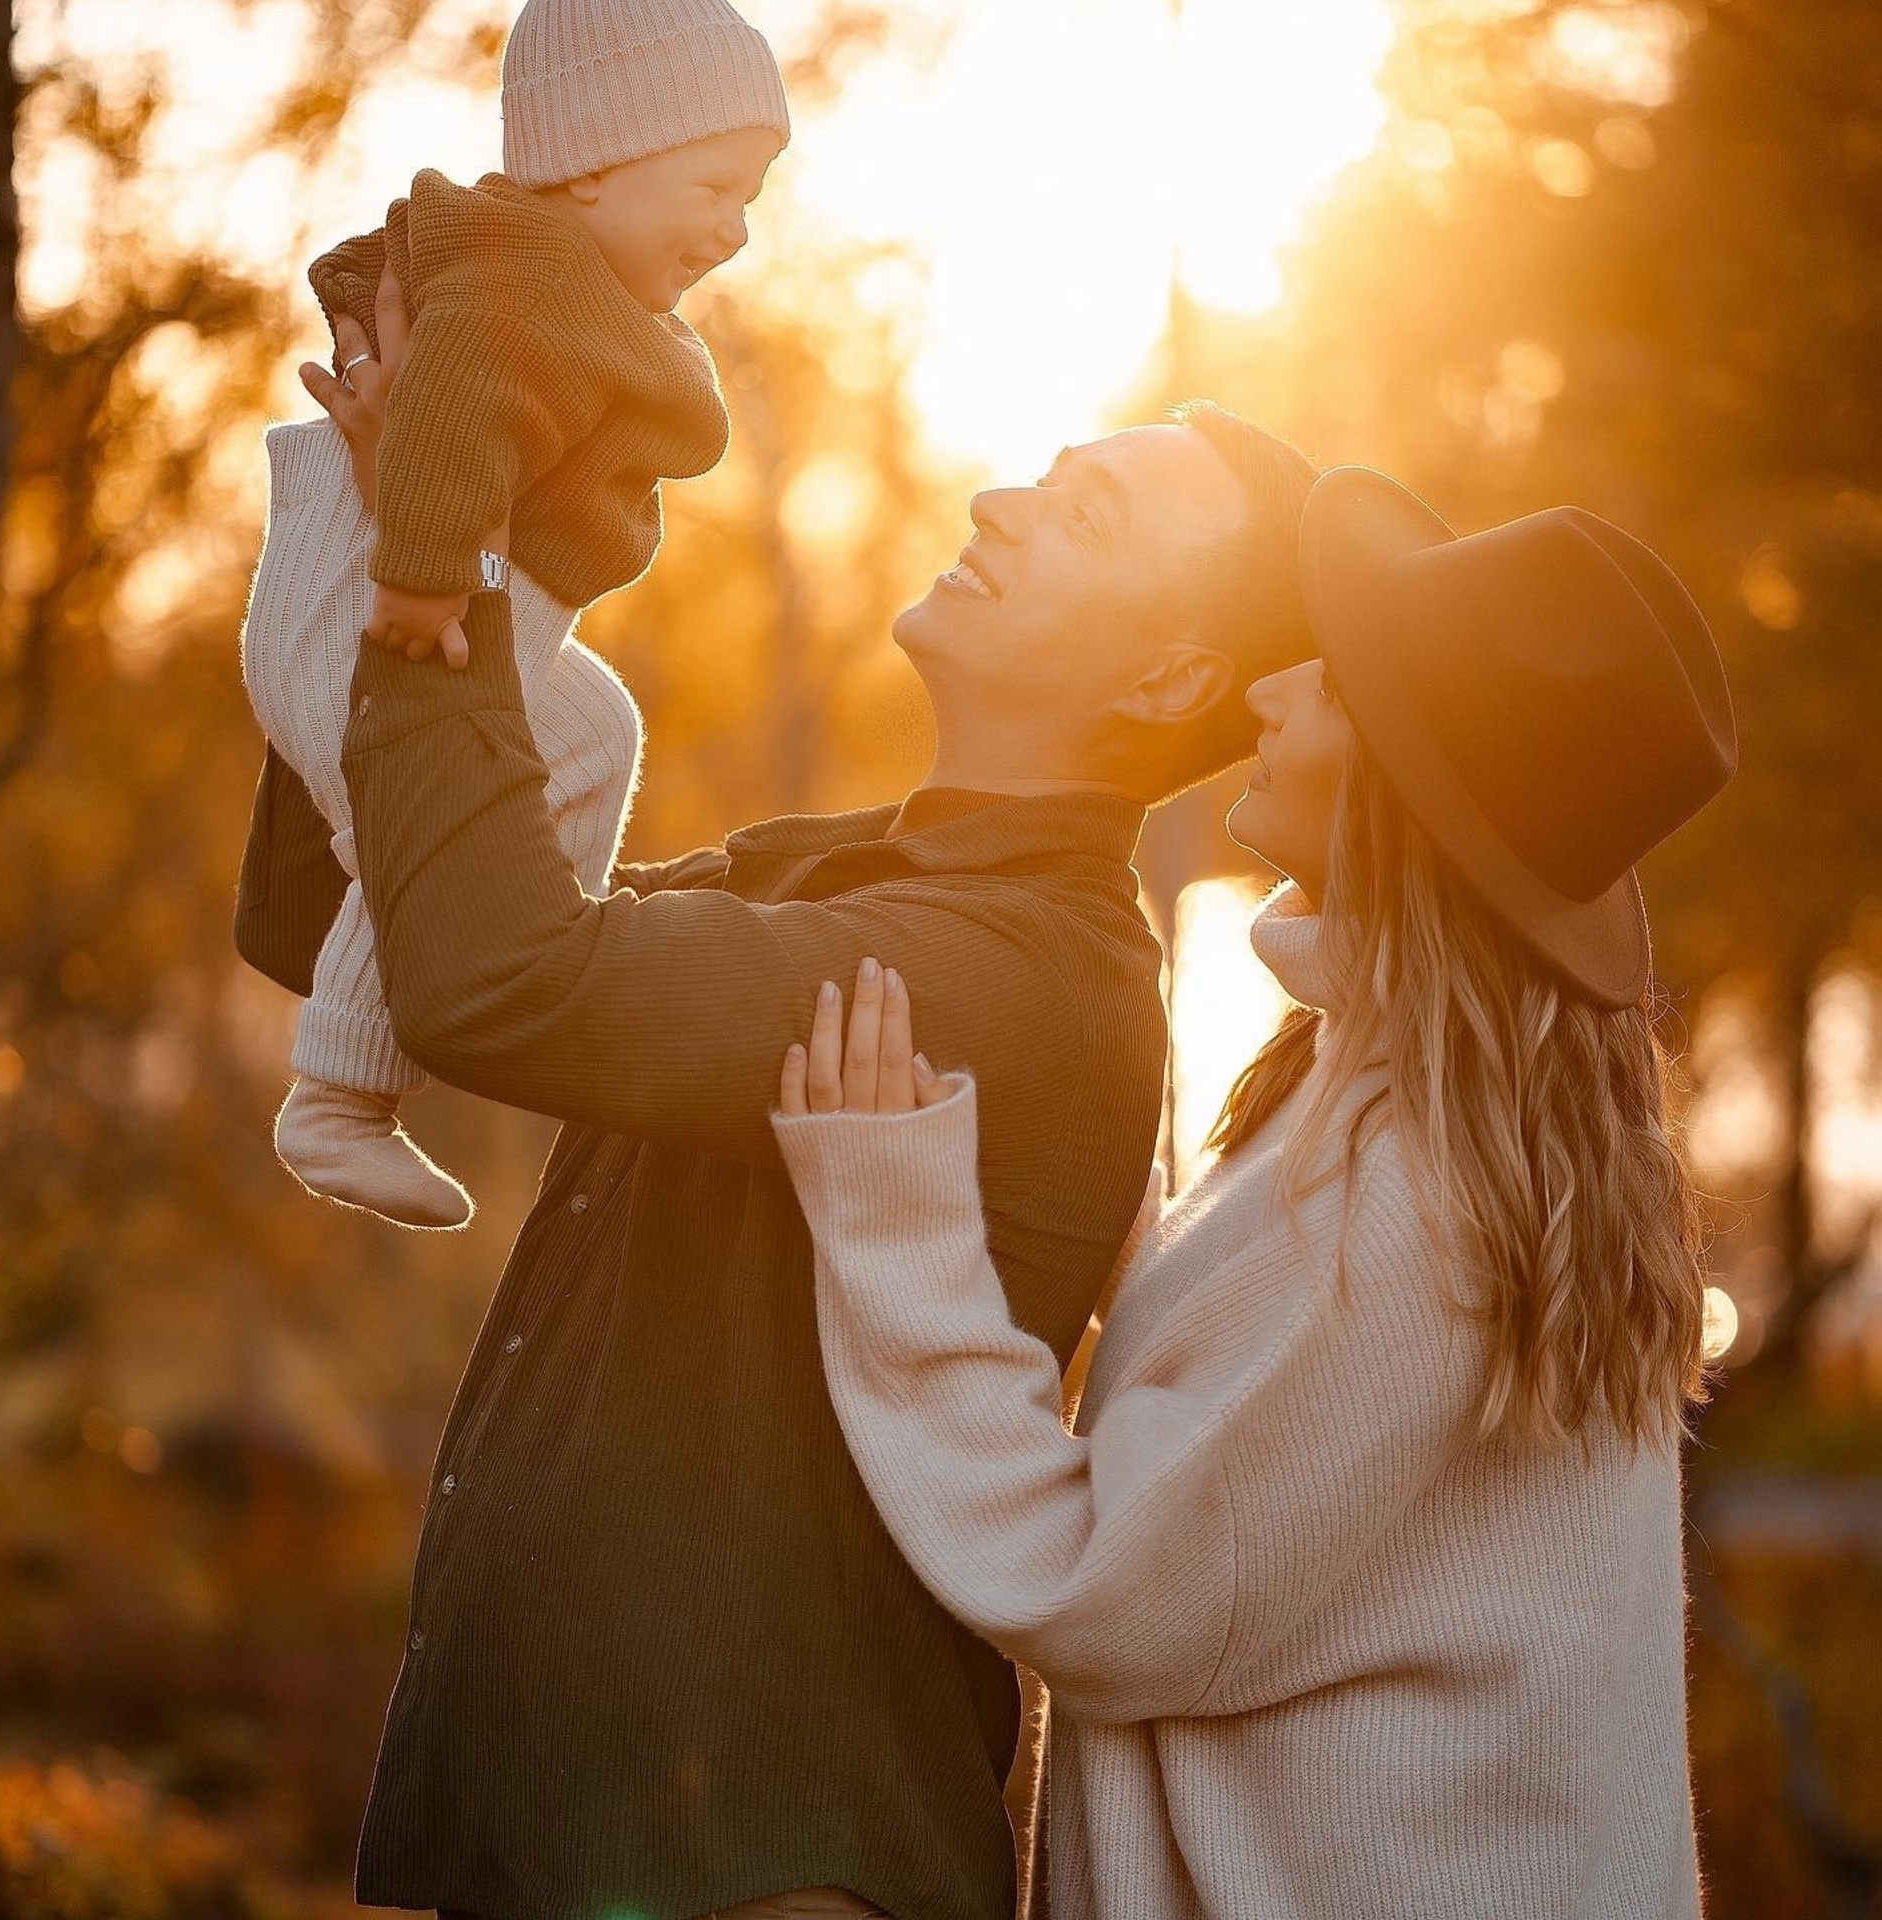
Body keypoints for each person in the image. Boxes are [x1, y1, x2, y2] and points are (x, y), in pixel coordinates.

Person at [232, 270, 1323, 1916]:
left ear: (1170, 684)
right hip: (581, 1838)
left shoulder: (1018, 975)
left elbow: (498, 983)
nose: (996, 496)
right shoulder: (822, 876)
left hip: (772, 1867)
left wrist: (430, 577)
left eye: (1083, 509)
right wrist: (424, 543)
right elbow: (342, 925)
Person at [773, 467, 1738, 1919]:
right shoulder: (1361, 1097)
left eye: (1338, 682)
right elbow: (1236, 1443)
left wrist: (892, 1227)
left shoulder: (1423, 1203)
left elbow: (1105, 1594)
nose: (1275, 689)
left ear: (1407, 796)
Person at [240, 0, 788, 1230]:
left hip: (444, 622)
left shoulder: (554, 278)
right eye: (714, 186)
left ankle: (522, 957)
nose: (735, 229)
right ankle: (337, 1100)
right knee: (430, 831)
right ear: (593, 161)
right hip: (384, 621)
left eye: (752, 195)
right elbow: (453, 415)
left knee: (597, 740)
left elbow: (388, 297)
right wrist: (426, 573)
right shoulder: (528, 278)